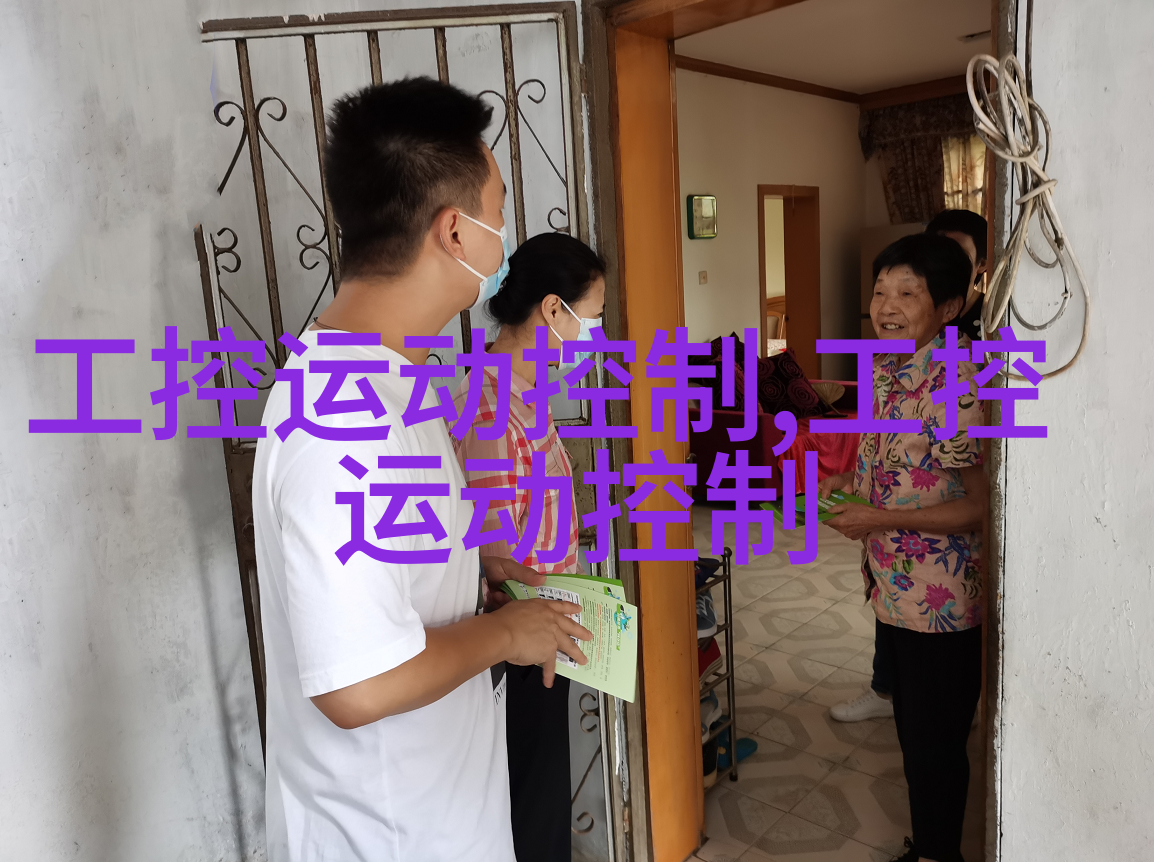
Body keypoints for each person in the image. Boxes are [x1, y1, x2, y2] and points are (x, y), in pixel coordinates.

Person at [251, 78, 591, 862]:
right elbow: (356, 686)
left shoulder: (391, 380)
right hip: (386, 834)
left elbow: (387, 582)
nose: (504, 238)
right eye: (499, 211)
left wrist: (472, 580)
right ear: (455, 232)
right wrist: (504, 632)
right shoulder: (345, 419)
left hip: (433, 812)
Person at [820, 233, 987, 862]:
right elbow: (899, 463)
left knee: (935, 743)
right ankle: (931, 845)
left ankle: (940, 854)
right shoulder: (890, 367)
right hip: (893, 586)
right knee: (915, 734)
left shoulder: (956, 381)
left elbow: (978, 506)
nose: (886, 306)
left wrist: (878, 517)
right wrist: (848, 482)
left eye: (907, 293)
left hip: (940, 602)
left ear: (948, 307)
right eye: (880, 291)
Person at [451, 232, 607, 862]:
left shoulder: (522, 396)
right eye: (592, 318)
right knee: (532, 808)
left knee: (542, 796)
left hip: (542, 629)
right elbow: (494, 565)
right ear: (552, 310)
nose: (595, 335)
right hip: (518, 643)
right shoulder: (491, 410)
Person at [927, 209, 989, 342]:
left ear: (982, 264)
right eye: (936, 252)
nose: (943, 263)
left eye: (959, 254)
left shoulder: (997, 318)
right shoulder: (914, 310)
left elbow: (1020, 356)